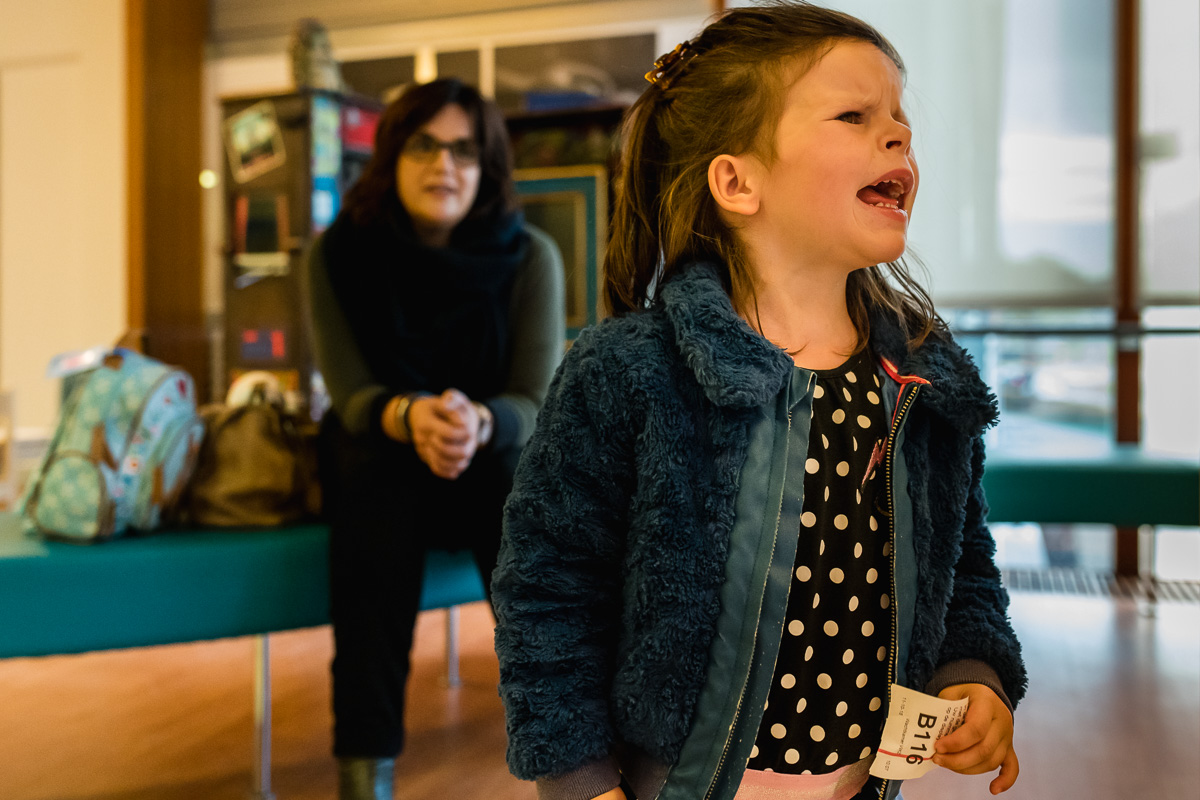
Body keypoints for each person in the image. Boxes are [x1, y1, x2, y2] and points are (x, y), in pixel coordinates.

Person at [492, 5, 1026, 800]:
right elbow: (546, 588)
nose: (899, 136)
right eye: (855, 115)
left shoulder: (923, 377)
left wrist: (975, 672)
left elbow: (963, 562)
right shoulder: (626, 371)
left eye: (900, 117)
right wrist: (577, 777)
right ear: (737, 181)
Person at [305, 78, 564, 800]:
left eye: (463, 150)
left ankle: (569, 754)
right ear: (391, 154)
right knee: (372, 488)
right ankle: (366, 769)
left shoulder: (529, 256)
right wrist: (409, 417)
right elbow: (351, 391)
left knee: (519, 494)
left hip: (488, 454)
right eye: (424, 145)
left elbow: (534, 400)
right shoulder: (338, 255)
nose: (443, 165)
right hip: (379, 449)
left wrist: (476, 422)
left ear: (486, 169)